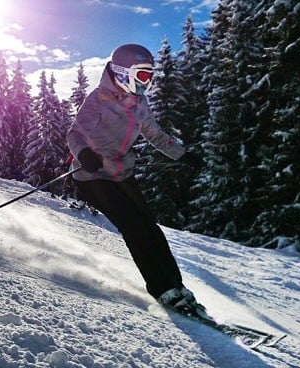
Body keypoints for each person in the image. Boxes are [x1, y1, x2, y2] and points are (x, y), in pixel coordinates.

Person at [66, 43, 201, 314]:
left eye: (150, 76)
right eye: (142, 75)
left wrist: (182, 155)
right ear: (122, 72)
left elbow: (155, 134)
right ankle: (162, 290)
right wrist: (84, 153)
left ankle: (177, 286)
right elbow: (75, 134)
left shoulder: (140, 103)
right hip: (93, 176)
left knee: (150, 227)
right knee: (134, 227)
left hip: (121, 173)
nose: (147, 82)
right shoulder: (98, 99)